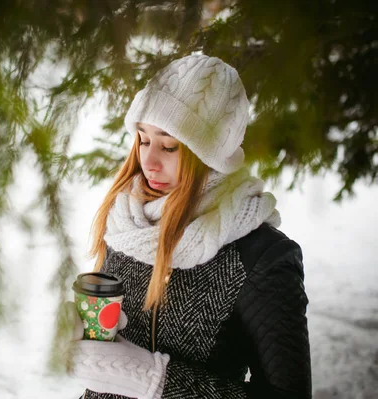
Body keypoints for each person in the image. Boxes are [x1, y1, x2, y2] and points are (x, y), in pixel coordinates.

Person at [66, 54, 312, 399]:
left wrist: (154, 380)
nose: (148, 161)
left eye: (170, 146)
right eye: (143, 139)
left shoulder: (262, 256)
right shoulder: (127, 220)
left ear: (212, 155)